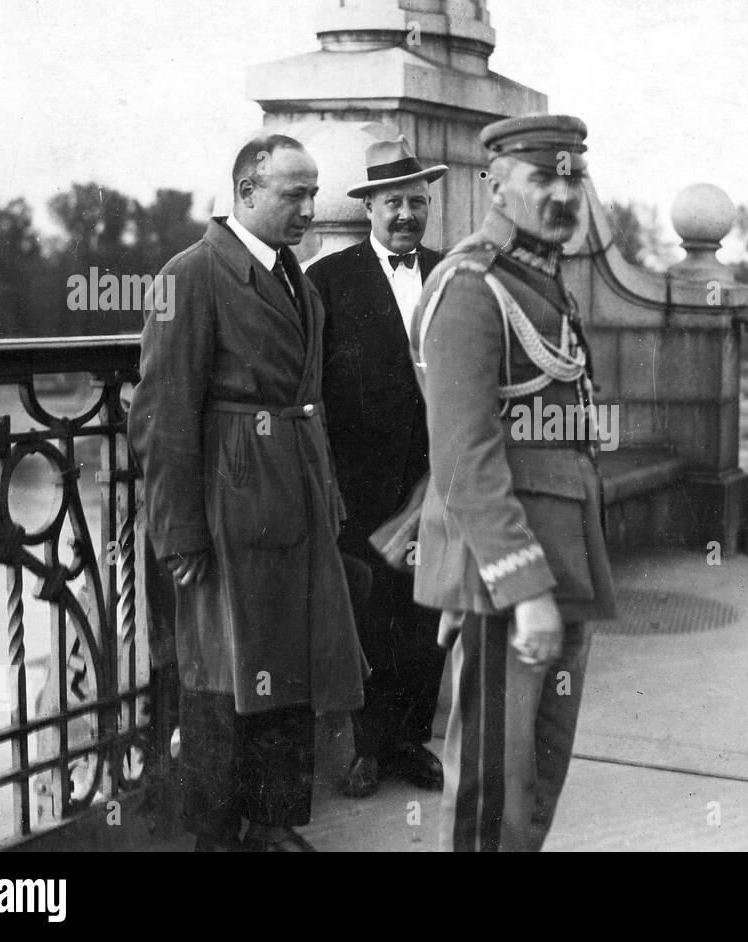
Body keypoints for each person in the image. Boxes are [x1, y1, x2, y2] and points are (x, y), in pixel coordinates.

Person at [130, 133, 366, 851]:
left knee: (286, 660)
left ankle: (272, 821)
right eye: (293, 193)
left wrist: (325, 492)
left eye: (313, 192)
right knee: (219, 671)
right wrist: (179, 534)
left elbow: (310, 398)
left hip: (292, 492)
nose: (309, 208)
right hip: (229, 506)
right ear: (245, 192)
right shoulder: (192, 275)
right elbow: (162, 414)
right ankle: (215, 833)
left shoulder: (296, 273)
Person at [411, 114, 617, 852]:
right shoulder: (471, 287)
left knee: (537, 781)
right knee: (492, 793)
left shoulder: (538, 280)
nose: (564, 193)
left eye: (574, 177)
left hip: (561, 560)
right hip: (511, 579)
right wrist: (523, 590)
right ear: (495, 185)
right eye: (544, 177)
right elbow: (464, 457)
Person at [306, 135, 449, 797]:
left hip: (436, 484)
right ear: (369, 206)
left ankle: (410, 744)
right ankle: (366, 747)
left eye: (418, 203)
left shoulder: (452, 276)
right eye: (394, 203)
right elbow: (307, 388)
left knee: (426, 617)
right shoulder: (328, 281)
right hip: (359, 486)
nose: (407, 216)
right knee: (369, 617)